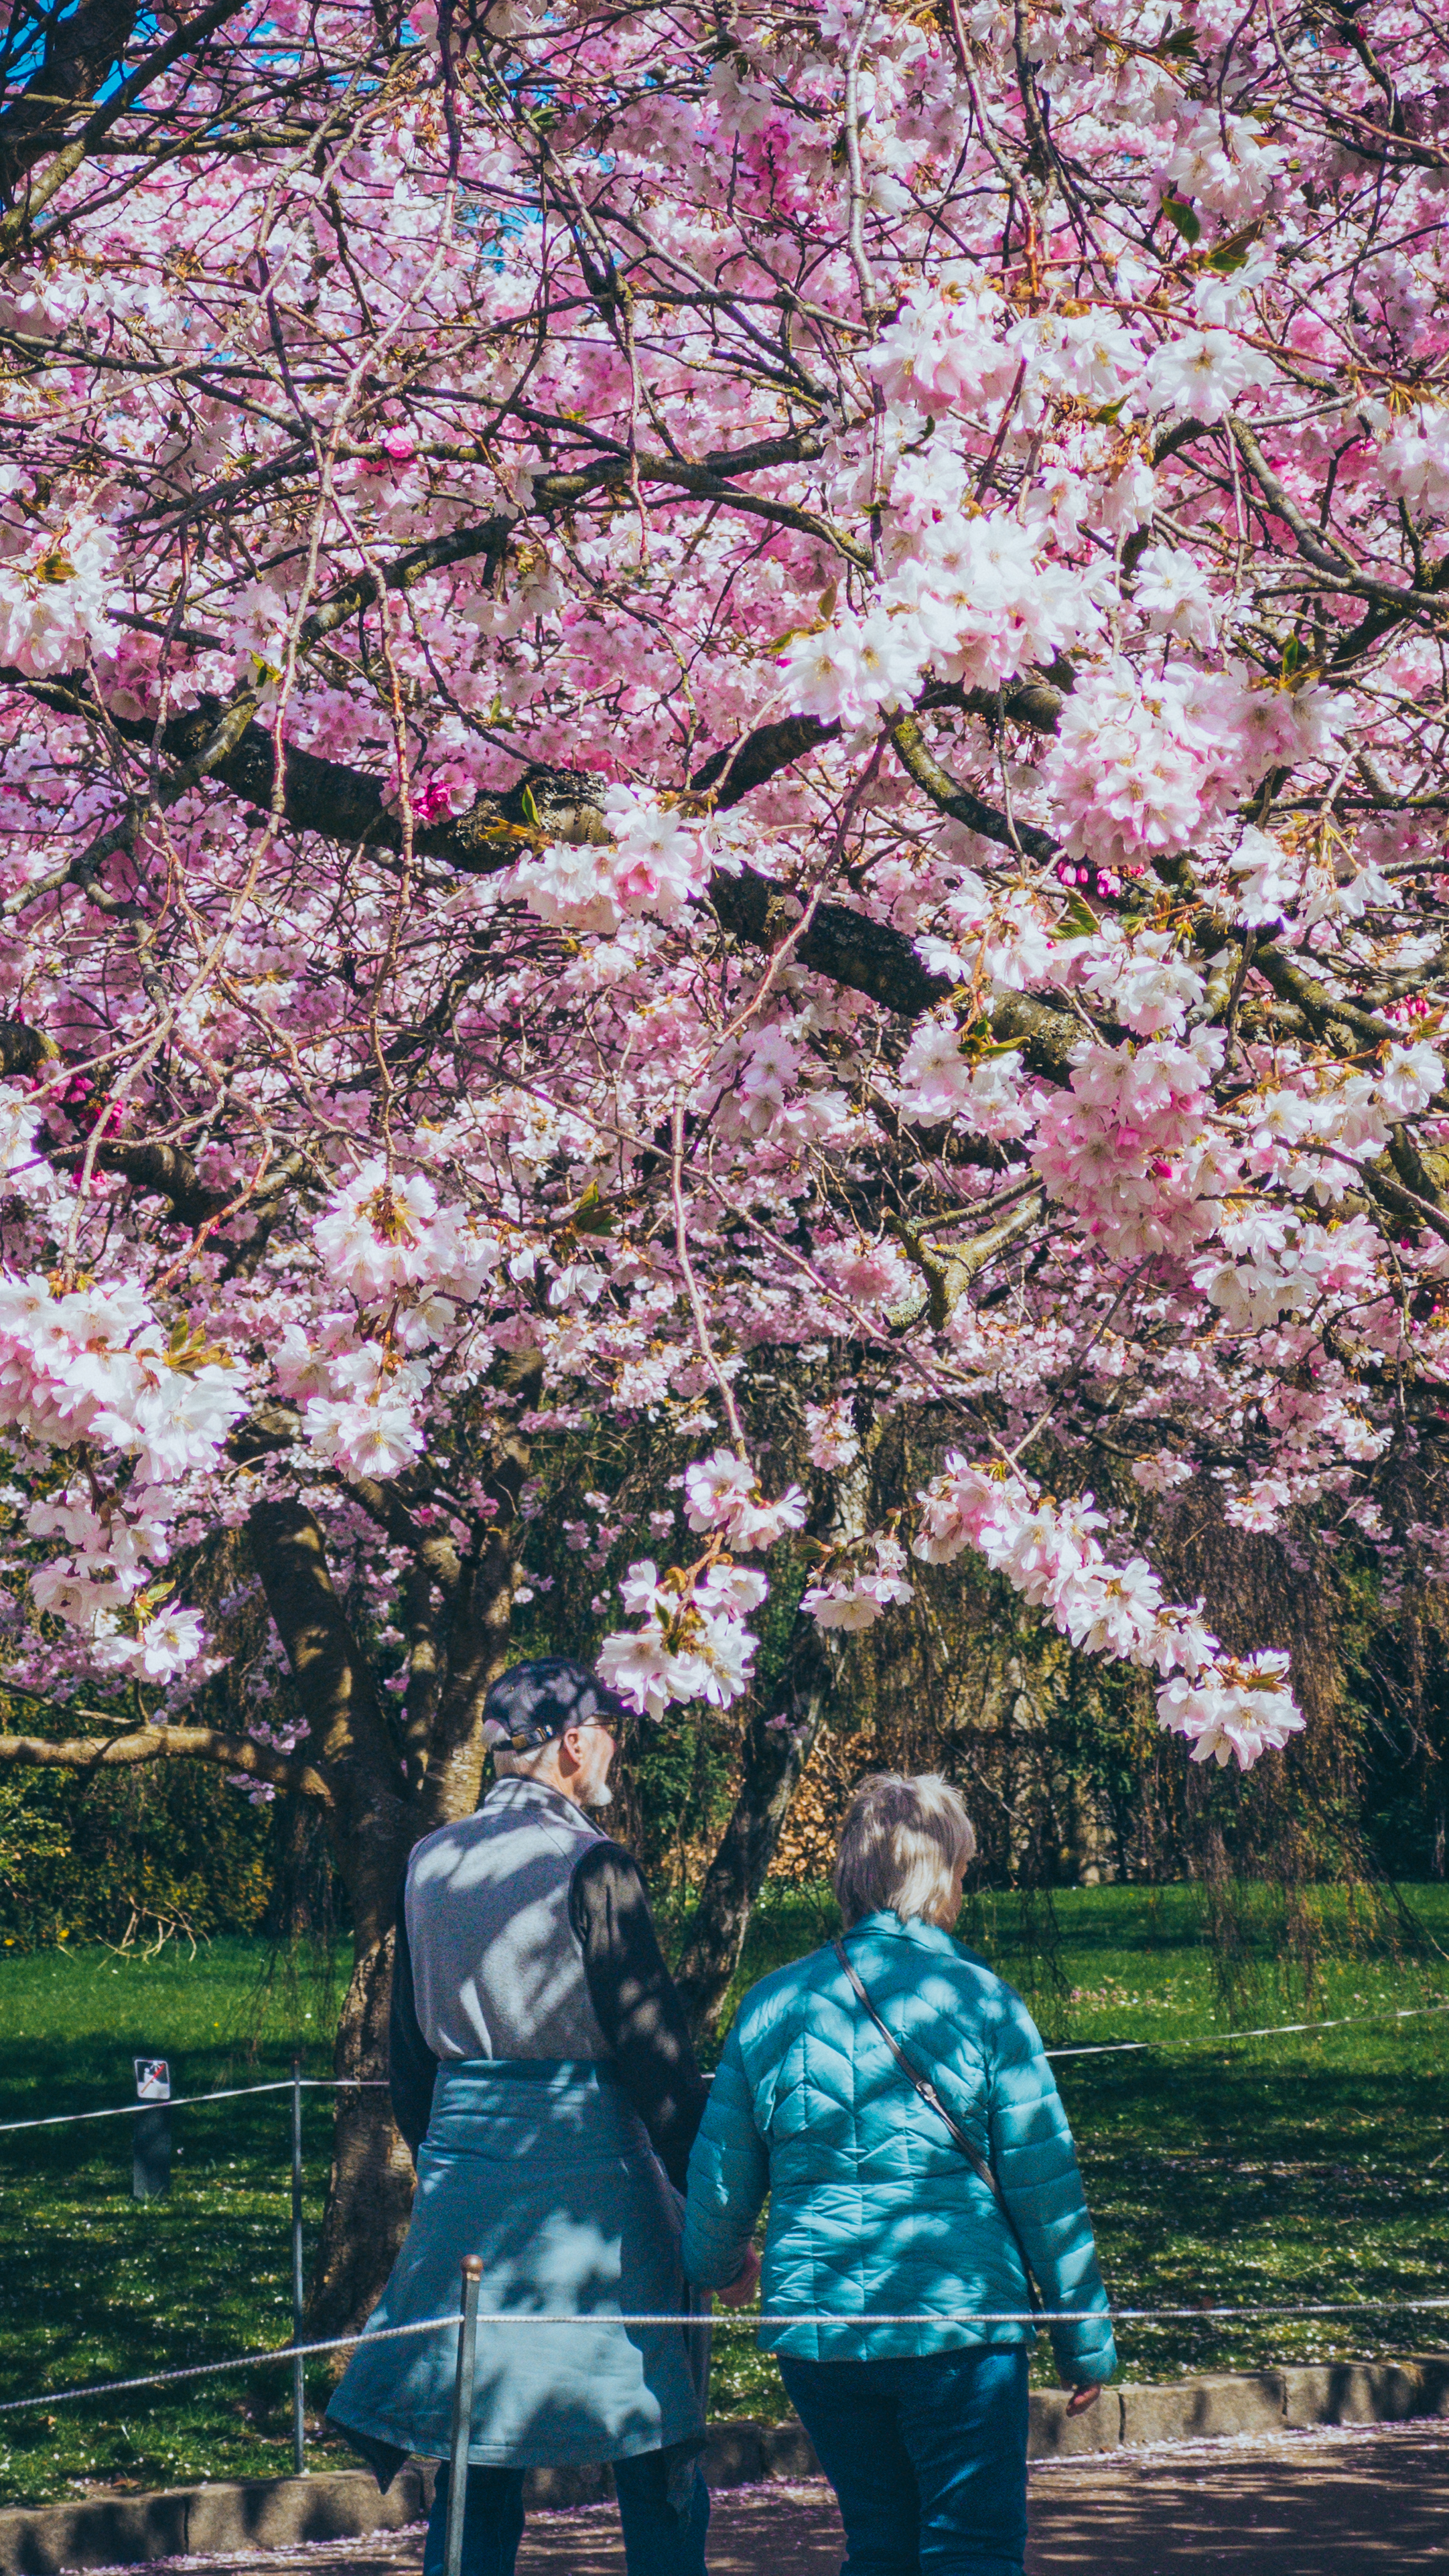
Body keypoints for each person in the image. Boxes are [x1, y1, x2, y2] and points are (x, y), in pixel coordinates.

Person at [327, 1656, 725, 2576]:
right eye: (610, 1735)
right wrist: (712, 2212)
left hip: (468, 2179)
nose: (614, 1751)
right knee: (652, 2428)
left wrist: (451, 2165)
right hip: (597, 2189)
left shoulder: (431, 1858)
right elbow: (655, 2063)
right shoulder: (594, 1862)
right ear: (574, 1743)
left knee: (474, 2444)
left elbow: (409, 2061)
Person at [682, 1772, 1116, 2576]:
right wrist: (1083, 2339)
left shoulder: (773, 2004)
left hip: (825, 2324)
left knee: (879, 2544)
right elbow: (1043, 2184)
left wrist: (714, 2266)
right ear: (943, 1873)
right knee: (974, 2546)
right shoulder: (985, 2003)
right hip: (959, 2324)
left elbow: (722, 2175)